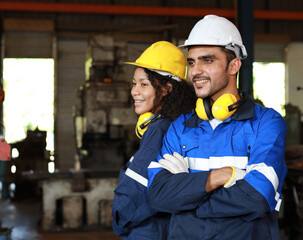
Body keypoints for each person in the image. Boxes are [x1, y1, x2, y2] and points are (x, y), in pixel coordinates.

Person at [147, 15, 287, 240]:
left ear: (234, 65)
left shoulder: (266, 123)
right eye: (191, 62)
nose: (194, 72)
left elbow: (257, 198)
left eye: (207, 60)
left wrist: (188, 199)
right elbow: (158, 195)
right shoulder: (180, 128)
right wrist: (220, 177)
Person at [112, 41, 197, 239]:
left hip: (147, 229)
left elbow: (135, 188)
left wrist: (120, 220)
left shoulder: (159, 128)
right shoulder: (178, 123)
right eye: (134, 83)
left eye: (144, 84)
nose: (134, 91)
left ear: (166, 89)